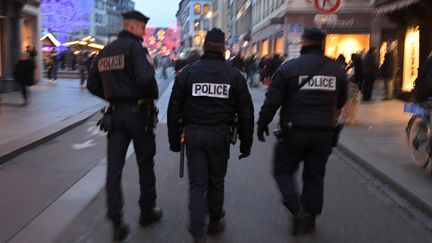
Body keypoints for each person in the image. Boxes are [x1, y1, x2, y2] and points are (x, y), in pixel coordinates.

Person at [257, 27, 348, 235]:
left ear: (304, 43)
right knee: (314, 175)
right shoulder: (337, 70)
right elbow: (341, 101)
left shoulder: (288, 68)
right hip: (323, 133)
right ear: (322, 44)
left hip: (293, 132)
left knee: (282, 170)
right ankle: (311, 217)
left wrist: (262, 124)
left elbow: (272, 102)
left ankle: (297, 210)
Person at [167, 28, 254, 243]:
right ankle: (215, 221)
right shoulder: (234, 75)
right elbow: (246, 112)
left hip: (194, 133)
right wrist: (246, 143)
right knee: (216, 180)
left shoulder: (188, 73)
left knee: (197, 184)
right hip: (219, 135)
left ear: (204, 46)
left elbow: (173, 109)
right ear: (224, 48)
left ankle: (198, 231)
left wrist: (174, 140)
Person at [86, 10, 162, 241]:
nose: (144, 31)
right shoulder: (136, 49)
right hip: (138, 114)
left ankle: (117, 221)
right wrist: (149, 97)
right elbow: (147, 79)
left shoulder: (105, 52)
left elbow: (92, 84)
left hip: (115, 115)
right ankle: (147, 211)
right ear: (131, 27)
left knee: (114, 170)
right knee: (145, 163)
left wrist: (111, 96)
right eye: (142, 27)